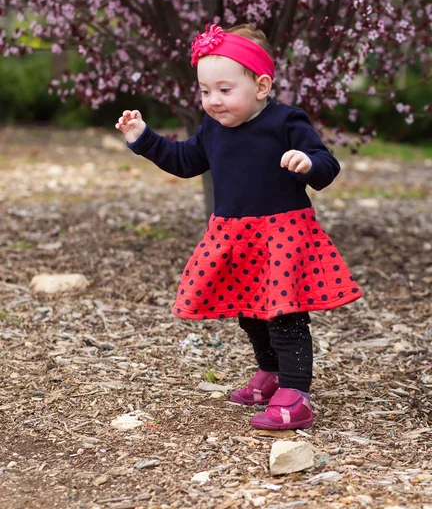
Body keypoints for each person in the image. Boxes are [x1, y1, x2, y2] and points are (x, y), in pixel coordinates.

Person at [115, 23, 362, 430]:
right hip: (235, 236)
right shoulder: (213, 128)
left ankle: (297, 393)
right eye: (205, 91)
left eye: (224, 90)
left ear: (262, 86)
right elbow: (185, 161)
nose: (213, 101)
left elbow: (326, 163)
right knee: (250, 311)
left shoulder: (286, 122)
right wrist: (143, 138)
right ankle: (271, 373)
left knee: (285, 315)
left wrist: (308, 162)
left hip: (282, 234)